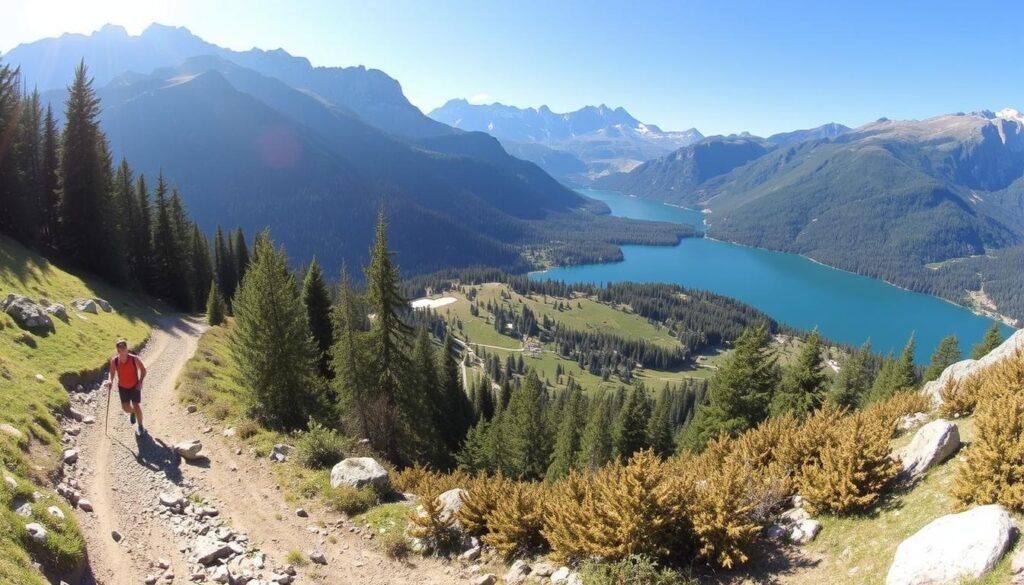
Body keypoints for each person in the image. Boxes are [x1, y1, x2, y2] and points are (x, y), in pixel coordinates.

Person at [108, 338, 147, 435]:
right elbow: (111, 373)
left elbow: (143, 370)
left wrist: (140, 382)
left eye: (124, 346)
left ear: (126, 347)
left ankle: (141, 426)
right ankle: (133, 412)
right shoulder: (115, 361)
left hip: (134, 386)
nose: (123, 348)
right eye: (120, 347)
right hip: (123, 387)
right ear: (118, 350)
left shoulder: (134, 359)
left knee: (136, 404)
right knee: (125, 408)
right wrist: (110, 381)